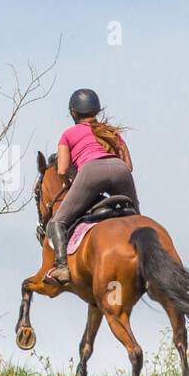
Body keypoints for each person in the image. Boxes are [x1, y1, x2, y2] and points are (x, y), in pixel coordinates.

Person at [47, 88, 138, 284]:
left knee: (57, 222)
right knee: (137, 219)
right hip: (120, 170)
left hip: (90, 172)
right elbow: (129, 166)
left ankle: (62, 268)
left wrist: (68, 184)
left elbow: (62, 170)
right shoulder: (111, 131)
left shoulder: (68, 134)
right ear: (96, 110)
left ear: (73, 112)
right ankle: (147, 255)